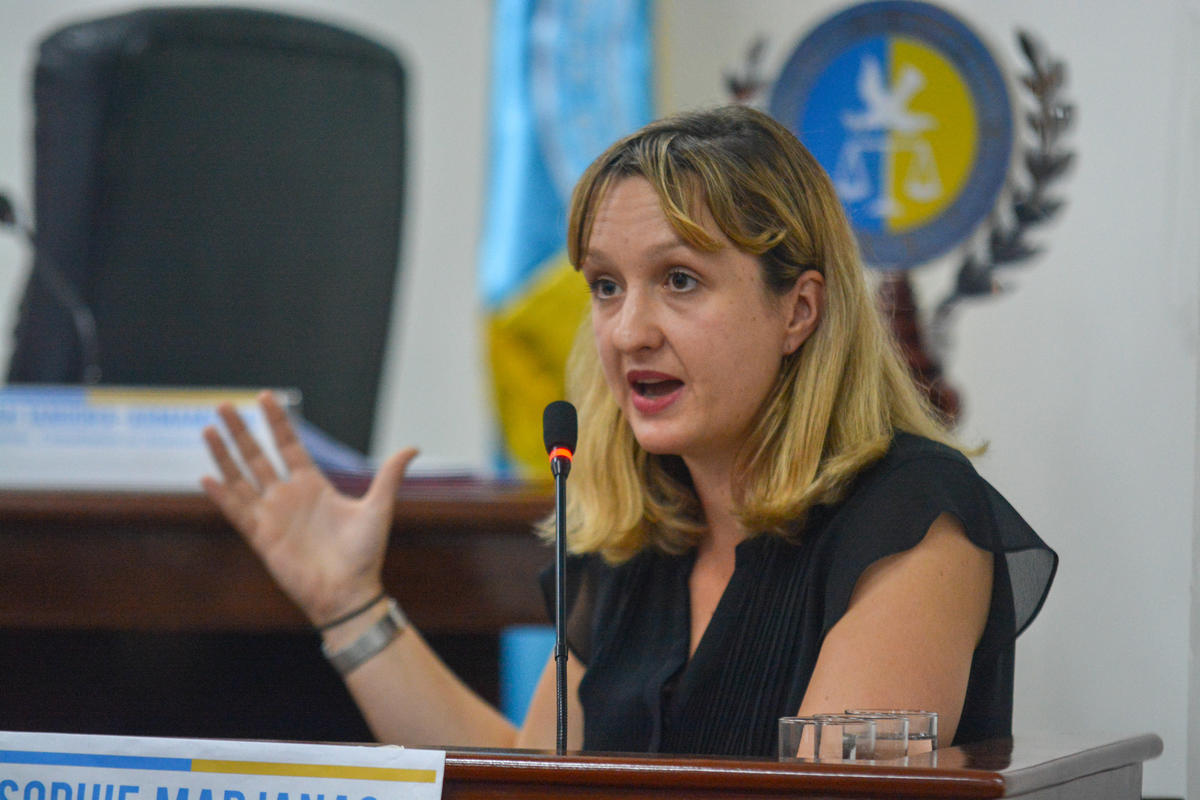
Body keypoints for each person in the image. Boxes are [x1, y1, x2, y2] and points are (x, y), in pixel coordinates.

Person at [202, 105, 1056, 756]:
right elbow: (526, 780)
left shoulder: (912, 518)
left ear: (798, 309)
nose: (626, 331)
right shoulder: (638, 541)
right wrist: (348, 604)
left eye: (679, 281)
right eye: (607, 286)